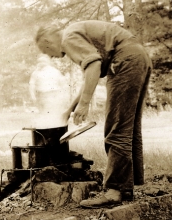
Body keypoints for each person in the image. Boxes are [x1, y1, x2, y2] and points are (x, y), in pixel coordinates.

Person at [35, 20, 152, 207]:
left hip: (124, 60)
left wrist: (85, 104)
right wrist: (71, 108)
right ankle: (126, 187)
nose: (51, 56)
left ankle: (114, 191)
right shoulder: (74, 32)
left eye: (46, 50)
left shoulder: (67, 38)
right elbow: (91, 74)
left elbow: (94, 65)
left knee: (117, 128)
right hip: (138, 56)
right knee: (129, 128)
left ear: (48, 39)